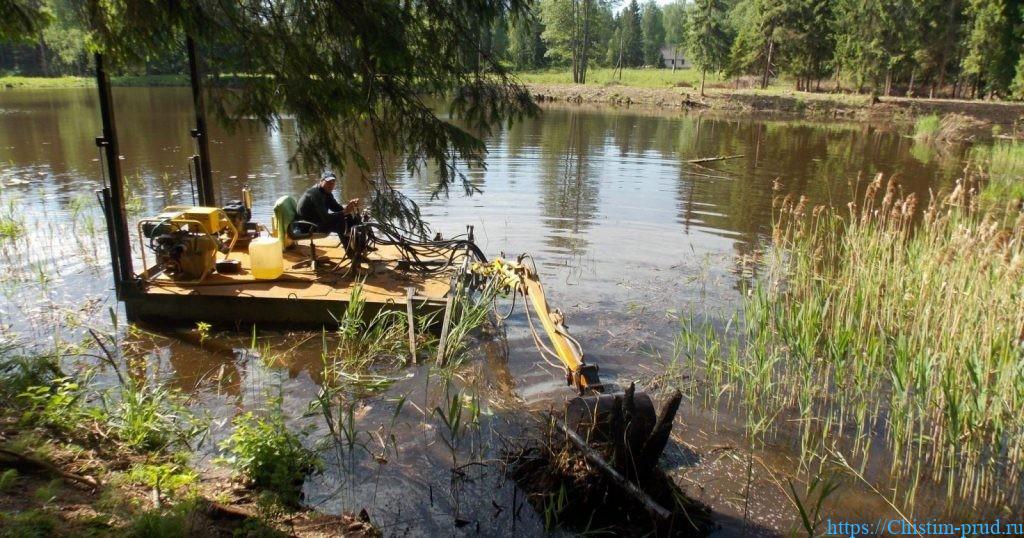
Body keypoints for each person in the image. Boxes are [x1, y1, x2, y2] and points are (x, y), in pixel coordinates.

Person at [295, 172, 361, 237]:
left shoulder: (326, 192)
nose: (331, 185)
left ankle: (354, 239)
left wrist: (350, 206)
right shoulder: (315, 194)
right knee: (340, 223)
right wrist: (344, 212)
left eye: (333, 182)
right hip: (308, 226)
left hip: (317, 221)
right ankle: (349, 246)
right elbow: (326, 218)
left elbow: (337, 208)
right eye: (328, 182)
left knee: (347, 216)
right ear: (321, 181)